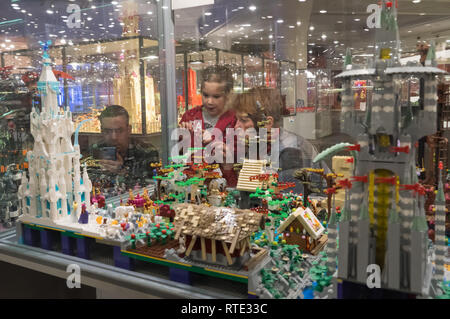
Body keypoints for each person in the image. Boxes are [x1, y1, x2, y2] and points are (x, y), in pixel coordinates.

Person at [230, 87, 329, 194]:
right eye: (237, 120)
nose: (236, 127)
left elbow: (290, 202)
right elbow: (249, 191)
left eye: (243, 121)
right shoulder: (257, 144)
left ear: (267, 123)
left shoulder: (291, 151)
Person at [178, 65, 237, 186]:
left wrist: (215, 142)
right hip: (193, 186)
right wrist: (182, 141)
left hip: (225, 186)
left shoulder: (236, 119)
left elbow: (238, 157)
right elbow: (180, 156)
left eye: (216, 96)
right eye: (205, 95)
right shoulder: (189, 116)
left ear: (228, 94)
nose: (209, 101)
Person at [89, 104, 159, 189]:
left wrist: (122, 172)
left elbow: (150, 188)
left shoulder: (146, 152)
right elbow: (89, 184)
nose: (113, 137)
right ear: (101, 131)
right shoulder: (96, 150)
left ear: (129, 130)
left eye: (119, 131)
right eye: (108, 131)